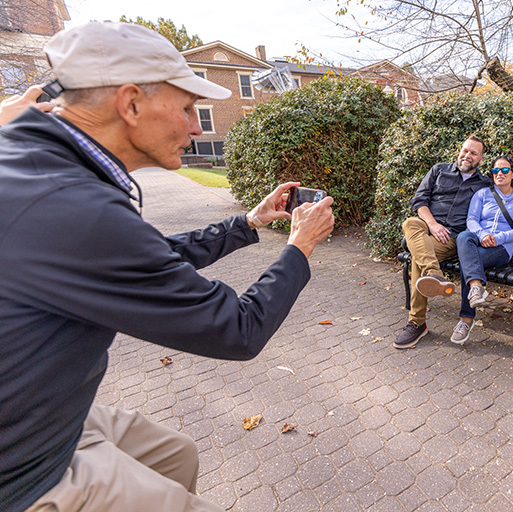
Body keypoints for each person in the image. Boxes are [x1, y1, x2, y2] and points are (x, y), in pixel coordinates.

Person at [0, 22, 334, 512]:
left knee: (176, 454)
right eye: (185, 108)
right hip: (26, 470)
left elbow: (143, 258)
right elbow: (237, 329)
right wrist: (300, 246)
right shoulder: (71, 203)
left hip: (50, 411)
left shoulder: (45, 163)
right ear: (130, 103)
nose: (197, 126)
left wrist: (249, 221)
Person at [394, 136, 513, 349]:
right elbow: (419, 201)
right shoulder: (439, 170)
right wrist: (433, 225)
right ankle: (435, 274)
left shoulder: (486, 184)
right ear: (460, 150)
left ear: (481, 159)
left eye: (473, 153)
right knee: (411, 223)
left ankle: (417, 323)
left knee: (417, 258)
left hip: (454, 238)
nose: (467, 156)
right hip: (427, 228)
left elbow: (507, 192)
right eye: (465, 151)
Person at [450, 155, 513, 344]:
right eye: (496, 170)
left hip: (501, 248)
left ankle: (466, 320)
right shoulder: (483, 194)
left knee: (468, 261)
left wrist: (497, 238)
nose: (500, 174)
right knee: (463, 236)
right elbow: (471, 219)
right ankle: (476, 287)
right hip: (479, 239)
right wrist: (482, 235)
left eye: (504, 170)